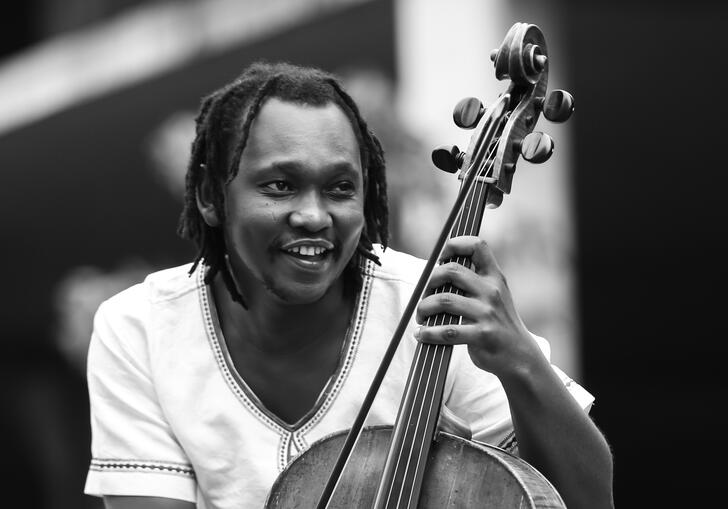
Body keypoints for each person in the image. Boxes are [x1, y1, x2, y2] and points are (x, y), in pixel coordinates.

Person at [84, 62, 614, 509]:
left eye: (340, 188)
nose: (314, 216)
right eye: (280, 185)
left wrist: (520, 360)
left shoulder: (435, 306)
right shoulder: (140, 329)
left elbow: (588, 499)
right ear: (208, 195)